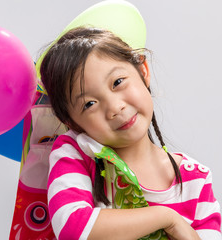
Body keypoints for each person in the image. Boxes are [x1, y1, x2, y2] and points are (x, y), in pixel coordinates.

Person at [39, 27, 221, 240]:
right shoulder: (77, 152)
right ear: (72, 122)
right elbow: (72, 228)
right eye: (89, 104)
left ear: (143, 71)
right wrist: (167, 218)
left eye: (117, 82)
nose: (115, 108)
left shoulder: (195, 181)